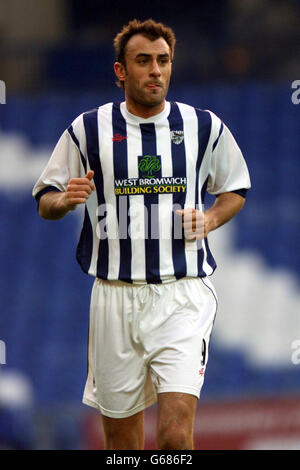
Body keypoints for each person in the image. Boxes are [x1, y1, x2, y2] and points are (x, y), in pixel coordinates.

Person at [32, 18, 251, 450]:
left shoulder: (203, 126)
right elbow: (45, 200)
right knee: (123, 442)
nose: (155, 70)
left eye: (163, 61)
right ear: (121, 71)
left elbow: (235, 189)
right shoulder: (87, 129)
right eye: (143, 60)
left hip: (181, 295)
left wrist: (209, 220)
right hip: (113, 296)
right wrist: (65, 199)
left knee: (174, 434)